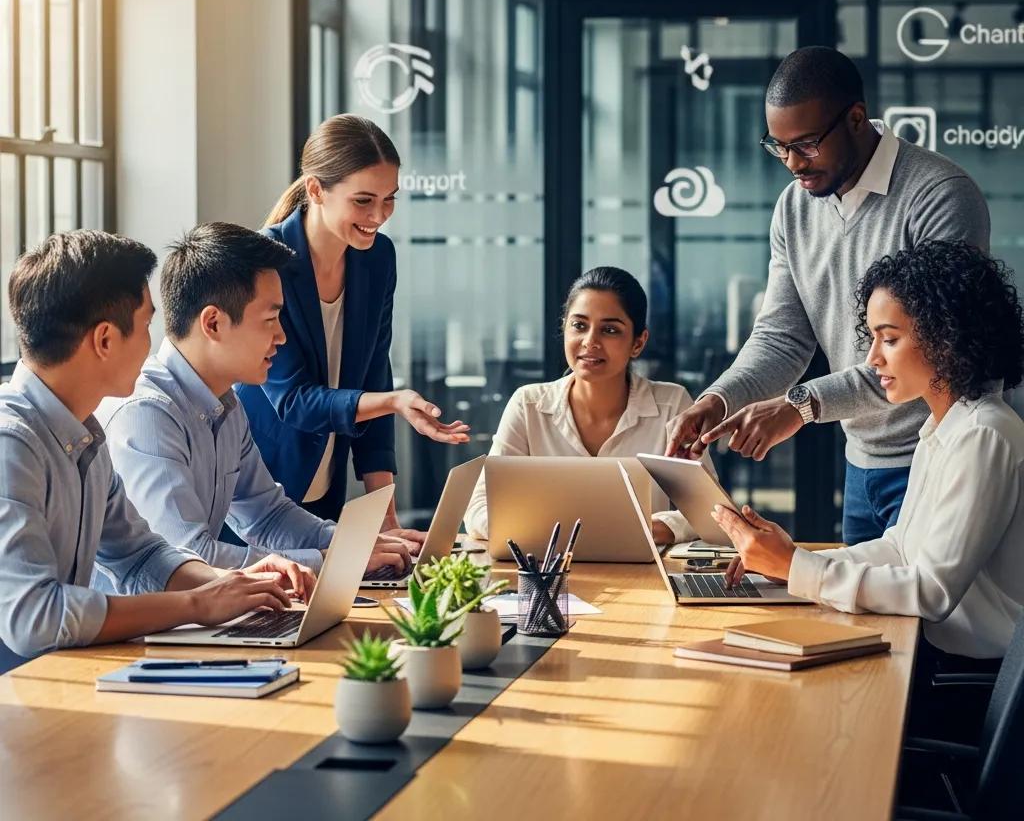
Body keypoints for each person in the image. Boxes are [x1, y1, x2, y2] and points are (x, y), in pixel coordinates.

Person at [666, 46, 990, 543]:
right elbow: (781, 338)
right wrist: (718, 398)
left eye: (807, 144)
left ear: (857, 119)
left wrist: (801, 405)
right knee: (861, 616)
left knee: (927, 614)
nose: (793, 164)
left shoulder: (939, 194)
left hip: (946, 453)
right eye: (779, 147)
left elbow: (931, 351)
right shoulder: (795, 208)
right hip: (861, 462)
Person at [713, 240, 1024, 736]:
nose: (873, 358)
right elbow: (901, 547)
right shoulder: (947, 427)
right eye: (872, 337)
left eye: (890, 338)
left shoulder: (985, 433)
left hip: (965, 688)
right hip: (939, 664)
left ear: (947, 338)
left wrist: (797, 569)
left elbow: (931, 591)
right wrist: (790, 562)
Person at [0, 231, 304, 672]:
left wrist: (233, 585)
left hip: (58, 680)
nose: (154, 342)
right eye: (145, 325)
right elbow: (34, 619)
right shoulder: (12, 443)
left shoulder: (82, 432)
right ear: (105, 340)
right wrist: (196, 605)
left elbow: (140, 553)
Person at [98, 223, 413, 581]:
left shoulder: (226, 405)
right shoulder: (147, 416)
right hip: (141, 634)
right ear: (213, 323)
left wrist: (354, 544)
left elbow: (268, 514)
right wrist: (331, 560)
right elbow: (189, 557)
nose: (281, 336)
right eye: (270, 319)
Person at [236, 114, 470, 545]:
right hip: (256, 503)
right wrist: (393, 402)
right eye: (363, 201)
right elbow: (293, 400)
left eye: (389, 199)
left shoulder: (377, 257)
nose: (379, 216)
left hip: (325, 494)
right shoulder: (265, 264)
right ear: (316, 190)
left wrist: (386, 517)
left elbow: (373, 376)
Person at [464, 266, 716, 544]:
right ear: (564, 328)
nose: (590, 341)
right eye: (579, 325)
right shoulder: (529, 405)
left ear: (638, 342)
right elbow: (479, 508)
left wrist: (653, 529)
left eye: (609, 330)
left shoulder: (671, 405)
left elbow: (709, 511)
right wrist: (546, 532)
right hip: (546, 572)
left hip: (642, 572)